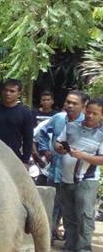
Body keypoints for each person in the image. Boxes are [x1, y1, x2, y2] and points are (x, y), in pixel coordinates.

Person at [55, 97, 103, 252]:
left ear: (101, 115)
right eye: (88, 112)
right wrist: (59, 148)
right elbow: (58, 142)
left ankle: (82, 251)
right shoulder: (71, 126)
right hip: (66, 177)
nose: (90, 116)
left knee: (84, 215)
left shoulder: (101, 134)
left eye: (94, 113)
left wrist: (83, 156)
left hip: (87, 179)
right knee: (68, 214)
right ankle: (69, 247)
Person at [36, 90, 86, 238]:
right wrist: (45, 151)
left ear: (83, 106)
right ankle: (49, 235)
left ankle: (71, 239)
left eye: (74, 103)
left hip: (77, 173)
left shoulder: (86, 123)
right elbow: (43, 133)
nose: (70, 106)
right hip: (56, 169)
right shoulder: (57, 118)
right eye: (68, 102)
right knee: (52, 204)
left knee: (71, 207)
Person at [0, 78, 36, 164]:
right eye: (6, 90)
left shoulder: (25, 113)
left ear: (19, 93)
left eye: (12, 91)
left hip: (13, 156)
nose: (8, 93)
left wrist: (25, 161)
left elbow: (28, 139)